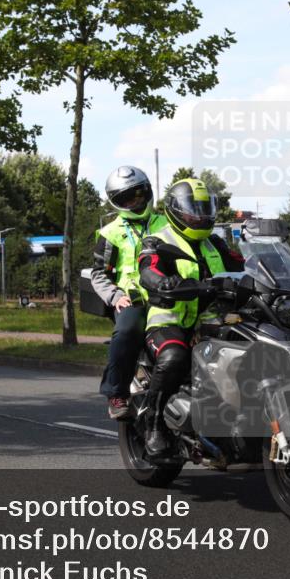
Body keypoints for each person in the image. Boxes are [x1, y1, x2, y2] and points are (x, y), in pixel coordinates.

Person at [137, 178, 243, 455]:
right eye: (191, 208)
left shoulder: (215, 243)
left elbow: (244, 266)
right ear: (174, 209)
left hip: (211, 322)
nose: (198, 215)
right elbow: (148, 269)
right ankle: (154, 423)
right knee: (174, 357)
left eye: (203, 208)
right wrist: (161, 283)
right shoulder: (157, 241)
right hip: (169, 322)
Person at [91, 166, 168, 420]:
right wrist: (115, 296)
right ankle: (116, 393)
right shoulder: (109, 233)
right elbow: (99, 274)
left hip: (169, 293)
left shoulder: (167, 224)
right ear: (116, 202)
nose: (134, 202)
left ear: (147, 192)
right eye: (126, 198)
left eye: (138, 194)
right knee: (125, 332)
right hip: (132, 298)